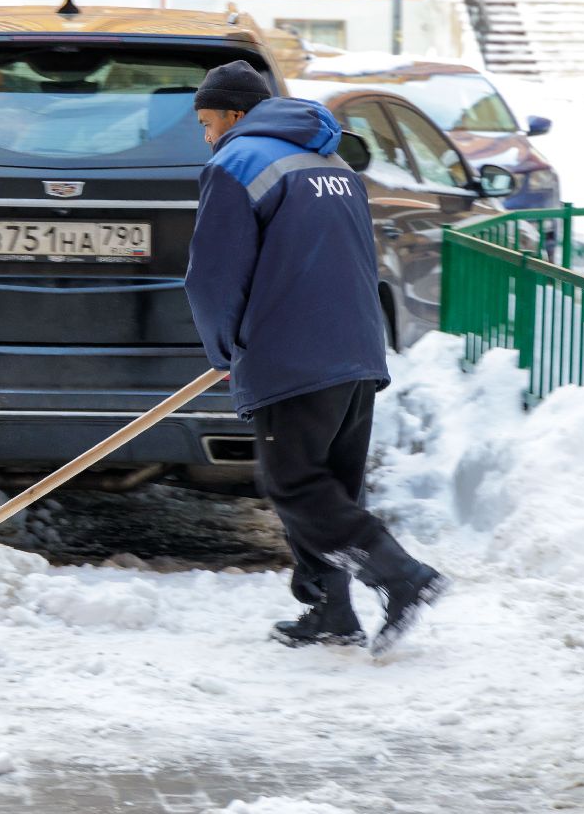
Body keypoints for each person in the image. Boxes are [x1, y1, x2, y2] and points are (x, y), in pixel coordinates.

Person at [183, 59, 448, 655]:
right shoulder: (333, 163)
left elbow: (213, 276)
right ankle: (331, 609)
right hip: (356, 347)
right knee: (331, 486)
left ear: (236, 114)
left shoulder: (235, 163)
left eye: (208, 121)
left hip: (294, 353)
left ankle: (400, 575)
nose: (207, 136)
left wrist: (223, 345)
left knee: (295, 483)